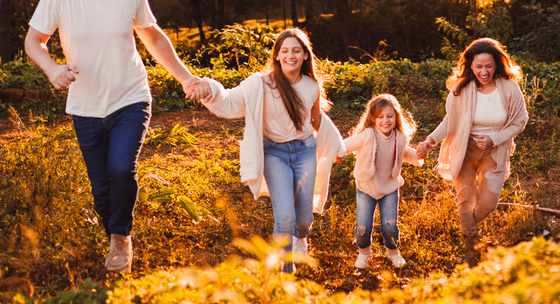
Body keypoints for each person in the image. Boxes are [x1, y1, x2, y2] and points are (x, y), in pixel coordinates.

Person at [24, 0, 210, 274]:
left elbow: (153, 37)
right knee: (101, 188)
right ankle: (115, 229)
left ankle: (121, 238)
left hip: (130, 96)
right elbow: (34, 41)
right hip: (85, 105)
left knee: (122, 168)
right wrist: (52, 70)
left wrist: (186, 78)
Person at [199, 27, 344, 273]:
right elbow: (229, 103)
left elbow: (317, 121)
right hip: (274, 153)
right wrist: (209, 88)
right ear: (276, 55)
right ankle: (284, 274)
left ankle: (302, 236)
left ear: (305, 56)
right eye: (284, 50)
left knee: (304, 219)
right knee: (284, 217)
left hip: (305, 151)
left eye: (296, 50)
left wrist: (338, 145)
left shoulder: (311, 86)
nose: (291, 55)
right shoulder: (260, 84)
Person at [416, 38, 528, 266]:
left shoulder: (509, 88)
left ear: (497, 64)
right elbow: (450, 122)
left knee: (488, 204)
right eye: (478, 67)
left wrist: (494, 138)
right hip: (464, 151)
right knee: (465, 201)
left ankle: (466, 229)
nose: (483, 71)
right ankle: (471, 249)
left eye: (488, 66)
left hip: (494, 152)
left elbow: (520, 121)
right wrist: (430, 141)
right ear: (470, 66)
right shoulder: (461, 90)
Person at [339, 93, 424, 269]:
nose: (385, 120)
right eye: (380, 117)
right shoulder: (367, 135)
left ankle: (393, 253)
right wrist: (336, 153)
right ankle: (364, 253)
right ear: (372, 119)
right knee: (363, 228)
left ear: (396, 117)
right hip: (366, 188)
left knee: (389, 227)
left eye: (390, 116)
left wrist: (420, 154)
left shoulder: (399, 138)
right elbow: (344, 146)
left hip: (390, 188)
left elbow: (406, 153)